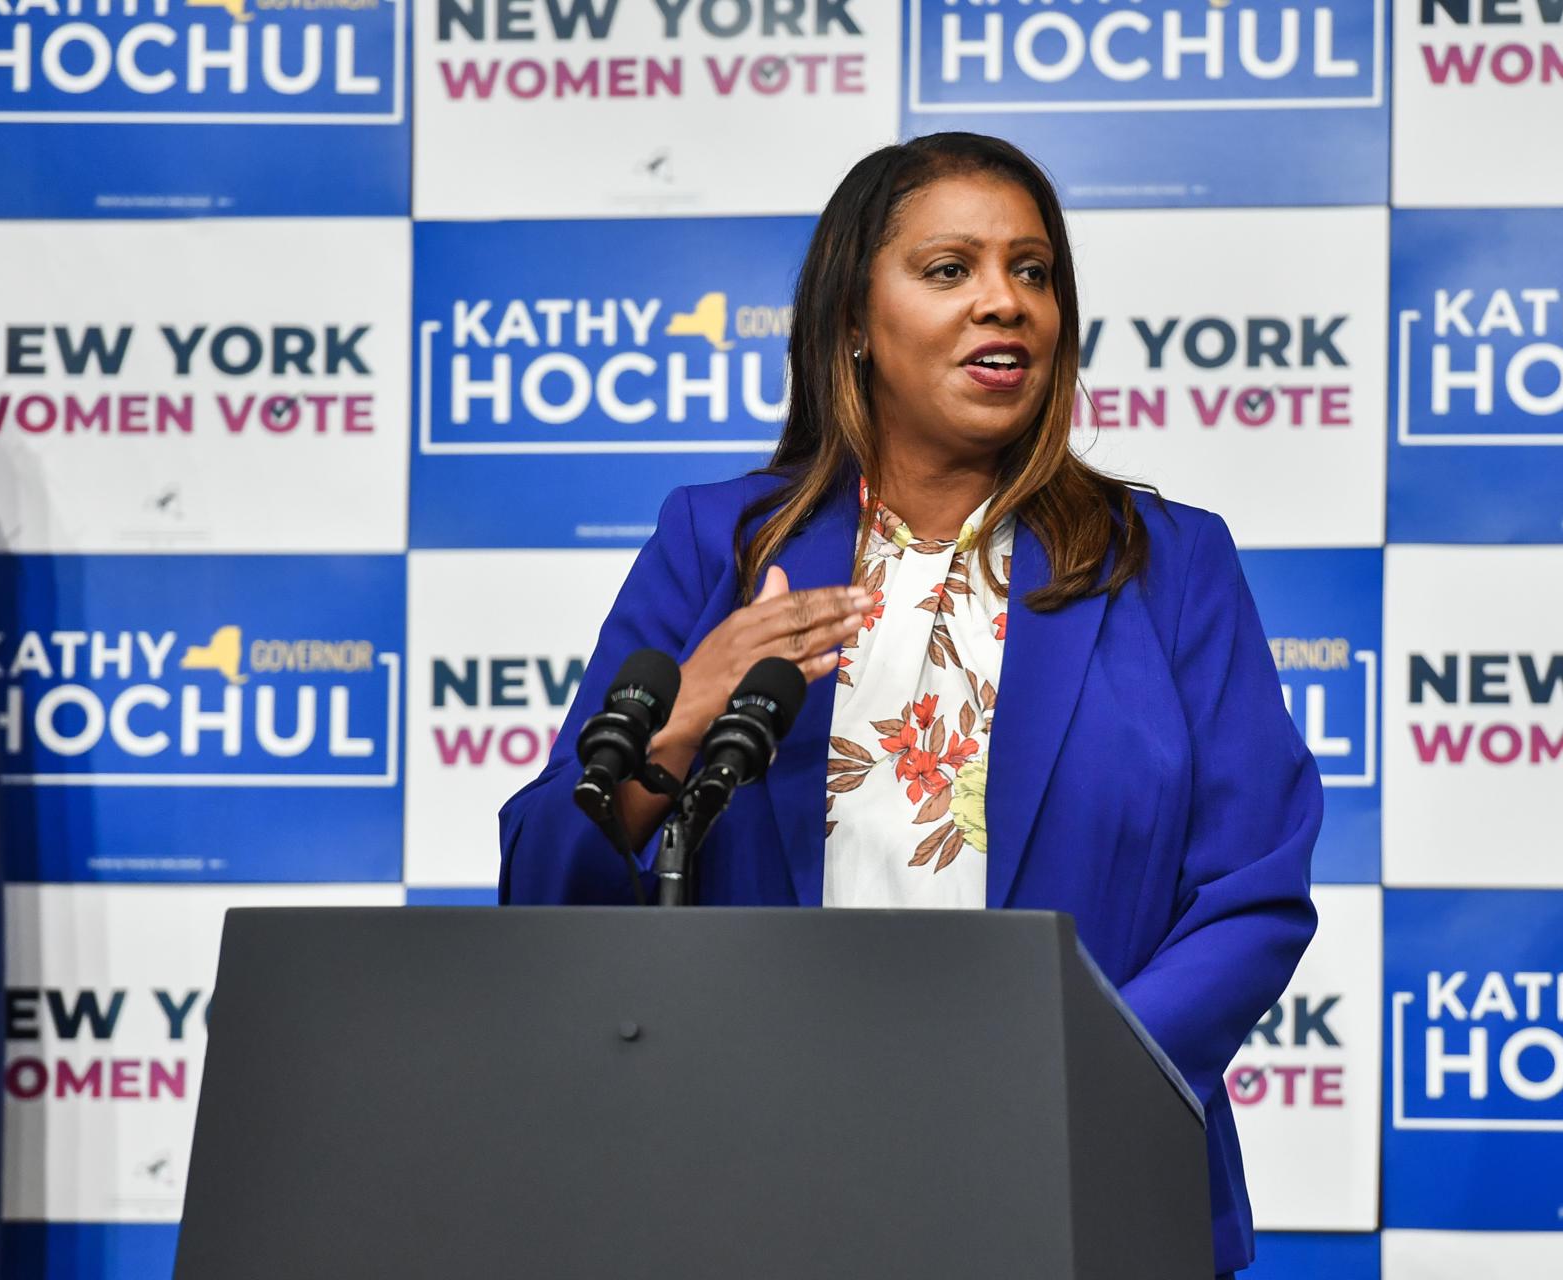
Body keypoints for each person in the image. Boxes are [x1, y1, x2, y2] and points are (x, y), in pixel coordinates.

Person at [500, 132, 1321, 1277]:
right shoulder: (721, 545)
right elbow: (546, 884)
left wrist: (1066, 1088)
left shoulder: (1165, 562)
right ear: (852, 321)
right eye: (951, 270)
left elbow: (1251, 891)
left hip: (1080, 1188)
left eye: (1033, 272)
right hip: (754, 1190)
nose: (1006, 303)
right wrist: (683, 719)